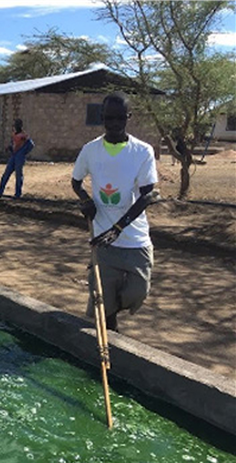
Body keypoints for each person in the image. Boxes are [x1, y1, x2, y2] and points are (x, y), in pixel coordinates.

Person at [71, 91, 159, 332]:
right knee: (104, 301)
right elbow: (76, 181)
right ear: (102, 117)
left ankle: (111, 314)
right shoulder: (90, 150)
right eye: (109, 118)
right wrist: (85, 200)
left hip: (135, 240)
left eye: (120, 118)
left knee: (138, 293)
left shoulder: (142, 151)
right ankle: (111, 334)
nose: (114, 124)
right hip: (103, 240)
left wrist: (119, 228)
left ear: (128, 117)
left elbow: (147, 195)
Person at [0, 118, 34, 198]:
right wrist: (9, 148)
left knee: (18, 175)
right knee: (6, 174)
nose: (16, 126)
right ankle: (0, 190)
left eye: (17, 124)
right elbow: (14, 145)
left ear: (20, 125)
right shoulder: (14, 134)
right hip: (14, 155)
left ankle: (18, 193)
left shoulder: (24, 135)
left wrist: (23, 152)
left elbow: (31, 145)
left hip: (19, 157)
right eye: (15, 124)